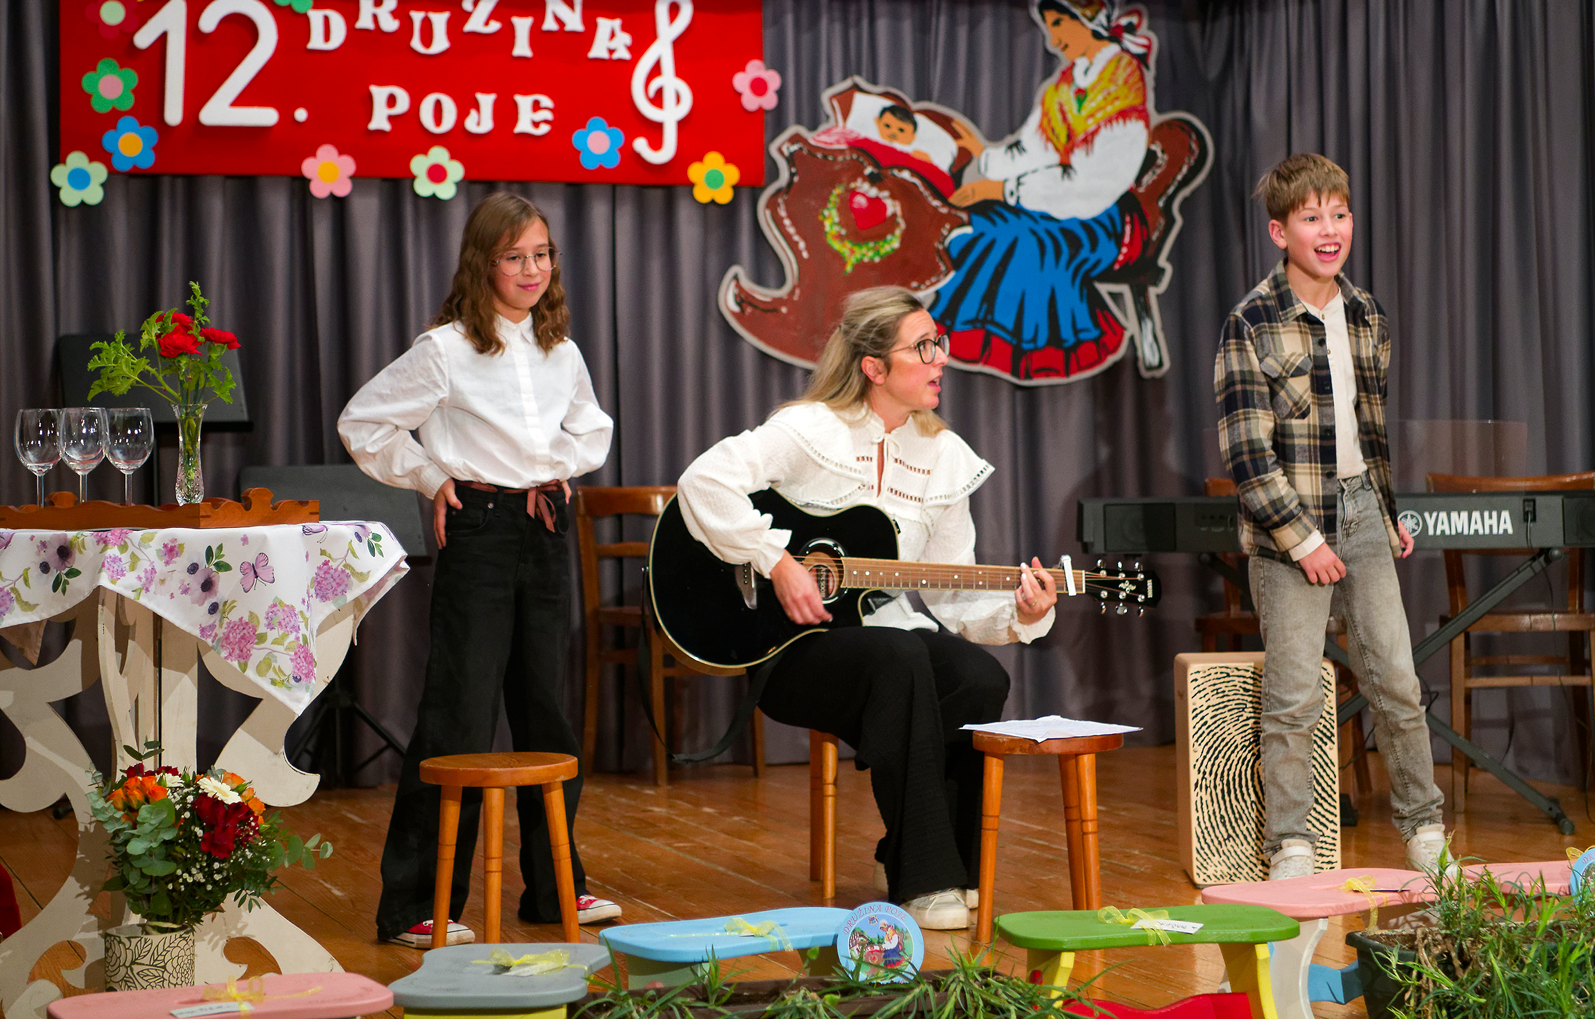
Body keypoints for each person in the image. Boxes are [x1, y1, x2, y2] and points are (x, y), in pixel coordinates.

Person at [676, 285, 1059, 929]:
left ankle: (940, 859)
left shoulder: (944, 456)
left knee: (978, 676)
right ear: (874, 367)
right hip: (791, 648)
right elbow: (703, 481)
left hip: (885, 642)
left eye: (940, 343)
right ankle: (924, 879)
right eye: (924, 347)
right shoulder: (810, 429)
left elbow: (952, 590)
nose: (941, 359)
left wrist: (1021, 613)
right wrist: (778, 563)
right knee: (900, 654)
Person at [338, 191, 620, 946]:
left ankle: (555, 887)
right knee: (457, 714)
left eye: (542, 254)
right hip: (481, 528)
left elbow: (591, 429)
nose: (532, 269)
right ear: (482, 263)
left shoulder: (561, 349)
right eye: (514, 257)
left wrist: (553, 467)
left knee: (546, 711)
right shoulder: (446, 348)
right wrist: (431, 477)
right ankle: (417, 902)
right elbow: (362, 423)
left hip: (545, 526)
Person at [1213, 154, 1451, 881]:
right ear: (1279, 231)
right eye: (1311, 217)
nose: (1329, 229)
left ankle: (1424, 830)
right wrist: (1304, 540)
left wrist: (1385, 509)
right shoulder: (1250, 321)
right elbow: (1247, 455)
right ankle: (1289, 844)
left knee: (1398, 683)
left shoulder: (1367, 313)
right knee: (1294, 697)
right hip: (1289, 530)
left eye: (1339, 214)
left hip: (1362, 511)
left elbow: (1368, 431)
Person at [932, 0, 1152, 381]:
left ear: (1088, 14)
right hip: (1056, 199)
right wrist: (985, 158)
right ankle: (970, 341)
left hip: (1105, 215)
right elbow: (1032, 149)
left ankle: (1040, 352)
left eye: (1058, 24)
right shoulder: (1064, 86)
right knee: (985, 225)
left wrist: (1003, 191)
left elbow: (1093, 183)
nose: (1053, 39)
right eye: (1048, 27)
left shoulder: (1122, 82)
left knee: (1024, 239)